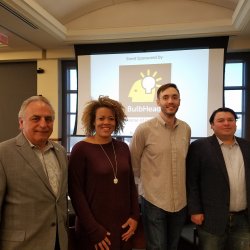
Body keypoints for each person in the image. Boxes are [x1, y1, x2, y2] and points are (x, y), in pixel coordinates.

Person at [68, 96, 140, 250]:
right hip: (95, 230)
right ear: (93, 121)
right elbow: (76, 193)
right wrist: (94, 230)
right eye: (101, 118)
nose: (106, 122)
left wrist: (135, 216)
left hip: (123, 227)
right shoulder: (80, 149)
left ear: (117, 122)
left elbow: (130, 185)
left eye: (111, 119)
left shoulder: (123, 147)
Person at [0, 95, 68, 250]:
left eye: (48, 119)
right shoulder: (3, 153)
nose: (43, 124)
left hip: (58, 242)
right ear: (21, 122)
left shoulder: (60, 151)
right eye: (36, 118)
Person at [129, 83, 191, 250]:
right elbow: (133, 164)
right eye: (165, 97)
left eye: (174, 97)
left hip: (180, 202)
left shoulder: (186, 129)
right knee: (157, 247)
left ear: (179, 101)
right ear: (158, 102)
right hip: (154, 200)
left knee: (173, 246)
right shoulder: (144, 129)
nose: (170, 101)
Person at [187, 107, 250, 250]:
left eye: (230, 120)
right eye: (221, 120)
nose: (226, 123)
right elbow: (192, 181)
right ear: (212, 125)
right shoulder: (199, 147)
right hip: (211, 219)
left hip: (243, 219)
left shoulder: (247, 146)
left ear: (235, 123)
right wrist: (195, 210)